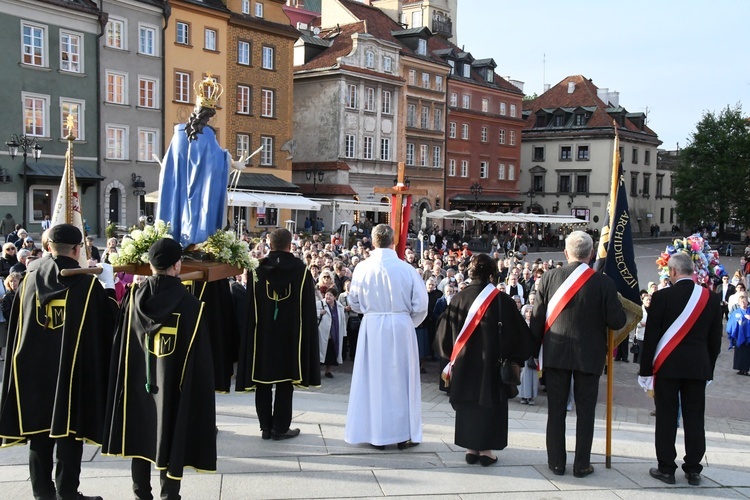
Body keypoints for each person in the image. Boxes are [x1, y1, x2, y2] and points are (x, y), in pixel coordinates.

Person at [0, 224, 118, 500]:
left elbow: (17, 326)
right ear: (78, 250)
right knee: (69, 435)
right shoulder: (89, 286)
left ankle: (42, 493)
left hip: (34, 370)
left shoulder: (28, 279)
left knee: (39, 435)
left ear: (49, 246)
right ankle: (67, 493)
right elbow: (108, 327)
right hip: (72, 371)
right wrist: (110, 290)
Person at [102, 237, 216, 500]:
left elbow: (120, 345)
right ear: (177, 266)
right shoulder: (192, 306)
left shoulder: (132, 299)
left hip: (137, 384)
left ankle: (141, 493)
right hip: (172, 386)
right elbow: (199, 362)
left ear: (150, 265)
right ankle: (169, 495)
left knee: (139, 436)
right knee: (171, 435)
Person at [529, 230, 626, 478]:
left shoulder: (549, 277)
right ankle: (582, 464)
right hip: (589, 355)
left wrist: (531, 351)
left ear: (566, 252)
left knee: (556, 410)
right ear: (591, 254)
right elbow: (617, 321)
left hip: (556, 353)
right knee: (586, 412)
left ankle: (556, 462)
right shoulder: (604, 282)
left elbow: (537, 319)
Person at [436, 253, 533, 465]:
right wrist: (514, 357)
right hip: (492, 367)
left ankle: (470, 447)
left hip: (463, 366)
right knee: (490, 405)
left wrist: (449, 363)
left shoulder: (458, 299)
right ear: (491, 274)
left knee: (468, 404)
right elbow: (521, 336)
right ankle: (487, 450)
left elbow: (442, 337)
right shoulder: (502, 301)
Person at [638, 252, 721, 486]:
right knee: (695, 418)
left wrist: (645, 371)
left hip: (667, 367)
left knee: (666, 417)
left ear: (673, 272)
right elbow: (715, 341)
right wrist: (709, 369)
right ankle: (693, 469)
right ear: (692, 271)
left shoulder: (662, 297)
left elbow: (651, 337)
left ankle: (666, 468)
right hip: (698, 368)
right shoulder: (710, 299)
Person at [345, 224, 428, 450]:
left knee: (373, 380)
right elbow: (421, 305)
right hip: (401, 326)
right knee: (401, 381)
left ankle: (375, 434)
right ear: (394, 241)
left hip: (372, 326)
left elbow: (353, 302)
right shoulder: (407, 269)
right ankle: (402, 435)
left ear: (373, 242)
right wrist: (406, 324)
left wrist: (371, 312)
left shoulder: (362, 268)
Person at [236, 228, 320, 440]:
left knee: (262, 383)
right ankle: (280, 428)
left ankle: (265, 427)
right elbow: (308, 307)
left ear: (269, 245)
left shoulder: (257, 270)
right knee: (285, 382)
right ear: (290, 245)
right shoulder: (301, 270)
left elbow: (249, 306)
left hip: (262, 335)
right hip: (290, 336)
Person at [157, 75, 246, 248]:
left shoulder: (179, 134)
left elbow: (171, 165)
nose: (208, 120)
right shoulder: (206, 135)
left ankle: (176, 239)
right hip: (199, 191)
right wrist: (234, 163)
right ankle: (197, 241)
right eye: (208, 117)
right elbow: (216, 162)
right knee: (199, 208)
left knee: (178, 207)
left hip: (180, 190)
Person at [318, 287, 346, 378]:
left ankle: (328, 371)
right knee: (319, 353)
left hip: (334, 335)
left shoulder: (339, 307)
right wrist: (319, 313)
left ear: (335, 297)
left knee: (331, 354)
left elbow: (342, 320)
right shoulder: (320, 304)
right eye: (327, 295)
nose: (328, 297)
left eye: (330, 295)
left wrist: (344, 332)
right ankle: (316, 372)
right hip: (322, 334)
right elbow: (310, 313)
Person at [518, 304, 539, 405]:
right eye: (527, 311)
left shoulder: (536, 325)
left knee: (533, 376)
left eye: (531, 312)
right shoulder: (521, 324)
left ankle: (531, 397)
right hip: (523, 352)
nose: (529, 314)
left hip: (533, 354)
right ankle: (523, 395)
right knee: (523, 375)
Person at [727, 292, 750, 376]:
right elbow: (731, 322)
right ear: (739, 303)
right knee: (739, 352)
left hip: (748, 336)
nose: (743, 303)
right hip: (738, 335)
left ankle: (746, 369)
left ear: (747, 302)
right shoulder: (736, 312)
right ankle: (740, 368)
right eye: (742, 302)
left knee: (747, 353)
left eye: (745, 301)